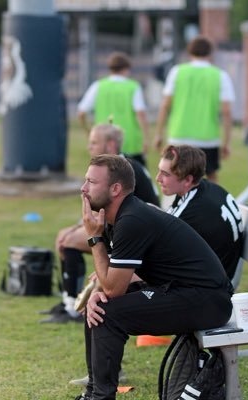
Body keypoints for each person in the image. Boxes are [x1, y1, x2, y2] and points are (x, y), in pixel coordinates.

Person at [75, 154, 233, 400]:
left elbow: (114, 288)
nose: (83, 189)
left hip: (207, 300)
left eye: (91, 182)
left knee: (107, 314)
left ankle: (100, 397)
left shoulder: (132, 220)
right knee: (98, 307)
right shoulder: (118, 216)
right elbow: (111, 280)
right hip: (183, 290)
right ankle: (93, 392)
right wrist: (96, 295)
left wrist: (94, 238)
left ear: (115, 189)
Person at [39, 124, 159, 324]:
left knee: (69, 241)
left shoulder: (122, 170)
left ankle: (72, 309)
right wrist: (78, 227)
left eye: (94, 142)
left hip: (135, 235)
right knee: (64, 235)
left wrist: (78, 231)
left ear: (110, 145)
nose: (89, 147)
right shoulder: (117, 166)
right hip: (116, 228)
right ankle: (71, 300)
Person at [154, 35, 235, 183]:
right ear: (210, 53)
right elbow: (227, 112)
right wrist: (227, 141)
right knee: (211, 177)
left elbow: (165, 105)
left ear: (189, 51)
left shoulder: (177, 72)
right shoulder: (220, 76)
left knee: (175, 176)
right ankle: (210, 206)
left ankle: (174, 206)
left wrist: (158, 133)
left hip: (179, 135)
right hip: (208, 137)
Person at [156, 145, 244, 280]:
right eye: (159, 171)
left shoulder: (192, 212)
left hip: (209, 286)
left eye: (165, 174)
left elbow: (158, 253)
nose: (158, 178)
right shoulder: (206, 187)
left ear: (188, 180)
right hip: (221, 273)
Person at [77, 51, 150, 166]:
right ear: (126, 69)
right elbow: (140, 113)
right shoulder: (133, 86)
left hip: (104, 143)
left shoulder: (98, 86)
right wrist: (146, 138)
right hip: (130, 143)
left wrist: (90, 132)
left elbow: (81, 113)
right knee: (135, 178)